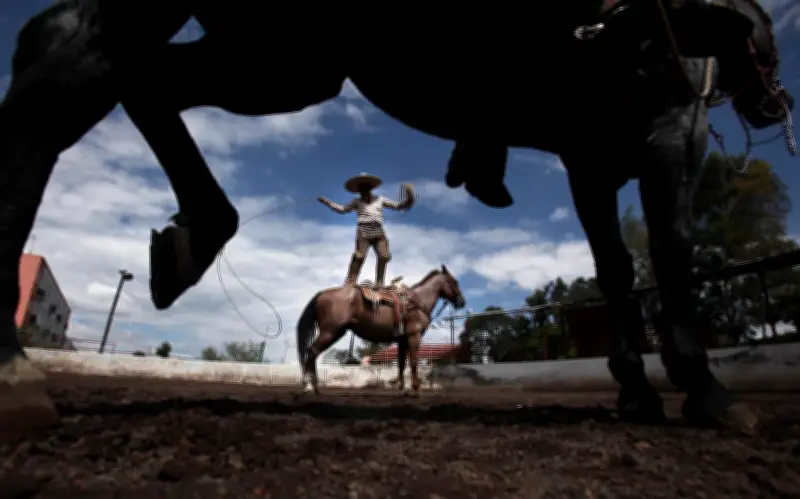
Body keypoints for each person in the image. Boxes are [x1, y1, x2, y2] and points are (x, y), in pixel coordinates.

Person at [319, 173, 414, 287]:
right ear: (359, 191)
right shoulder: (356, 202)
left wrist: (409, 199)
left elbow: (398, 206)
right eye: (361, 189)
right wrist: (328, 203)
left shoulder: (380, 199)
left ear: (370, 188)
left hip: (378, 230)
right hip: (363, 230)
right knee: (359, 256)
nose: (363, 190)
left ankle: (379, 283)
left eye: (365, 188)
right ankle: (351, 281)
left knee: (384, 256)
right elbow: (342, 209)